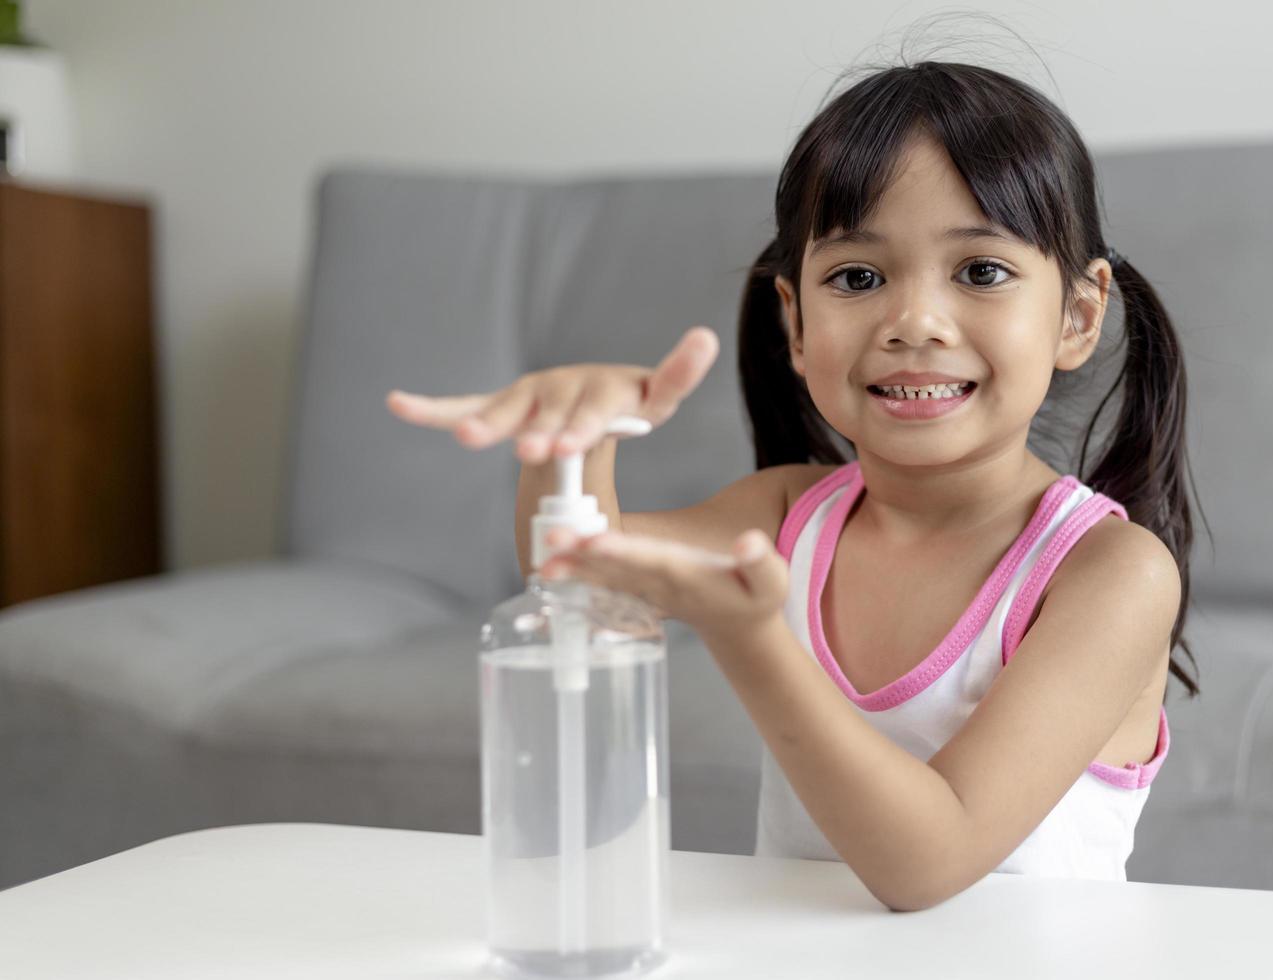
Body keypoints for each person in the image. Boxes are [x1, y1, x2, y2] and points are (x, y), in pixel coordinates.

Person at [386, 58, 1203, 912]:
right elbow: (574, 578)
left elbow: (929, 861)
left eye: (980, 272)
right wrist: (573, 444)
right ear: (797, 323)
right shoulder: (786, 515)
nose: (913, 322)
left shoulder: (1112, 575)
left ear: (1077, 314)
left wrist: (750, 641)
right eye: (857, 277)